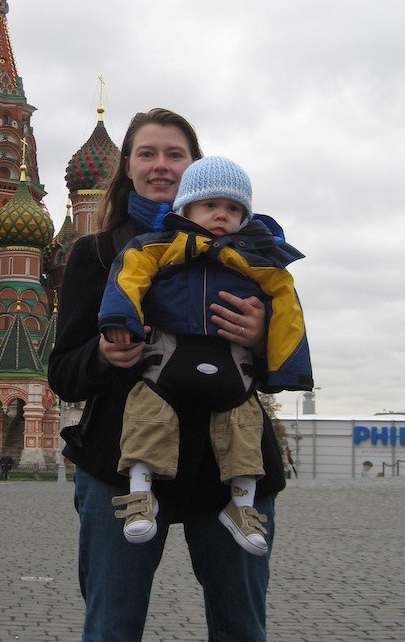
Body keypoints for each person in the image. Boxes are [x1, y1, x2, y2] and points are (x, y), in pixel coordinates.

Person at [48, 109, 289, 642]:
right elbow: (63, 374)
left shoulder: (252, 252)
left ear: (196, 168)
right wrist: (105, 356)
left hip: (230, 468)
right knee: (112, 626)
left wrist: (259, 336)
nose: (161, 166)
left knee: (241, 627)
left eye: (175, 154)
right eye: (147, 154)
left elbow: (282, 365)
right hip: (121, 462)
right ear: (127, 169)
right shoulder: (97, 252)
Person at [98, 156, 312, 554]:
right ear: (186, 209)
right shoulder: (160, 245)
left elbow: (287, 300)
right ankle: (140, 495)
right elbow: (129, 274)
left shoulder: (259, 257)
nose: (221, 216)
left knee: (244, 431)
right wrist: (119, 320)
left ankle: (242, 506)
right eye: (211, 206)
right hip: (167, 366)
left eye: (233, 209)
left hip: (234, 370)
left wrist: (284, 362)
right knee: (147, 418)